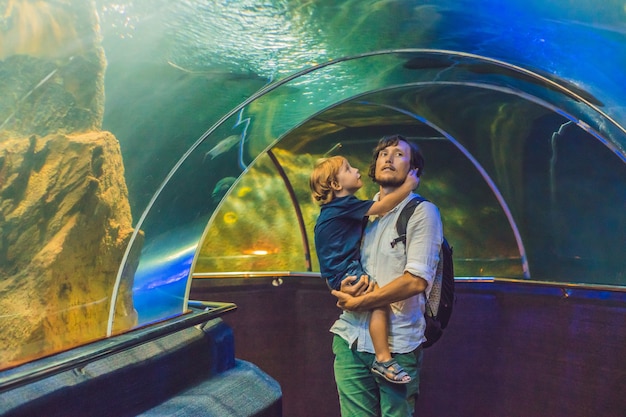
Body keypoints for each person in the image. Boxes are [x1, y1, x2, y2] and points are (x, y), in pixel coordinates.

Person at [330, 135, 444, 417]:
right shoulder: (362, 213)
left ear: (413, 170)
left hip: (397, 345)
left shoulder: (422, 212)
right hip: (350, 339)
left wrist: (363, 303)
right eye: (383, 153)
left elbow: (416, 280)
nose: (389, 158)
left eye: (399, 154)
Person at [310, 155, 419, 384]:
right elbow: (383, 206)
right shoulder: (344, 206)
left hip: (335, 272)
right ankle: (383, 359)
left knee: (374, 300)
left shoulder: (332, 210)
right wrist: (409, 185)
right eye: (349, 169)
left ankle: (380, 357)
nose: (357, 170)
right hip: (345, 270)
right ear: (336, 185)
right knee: (378, 300)